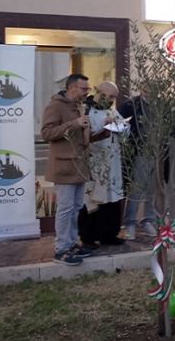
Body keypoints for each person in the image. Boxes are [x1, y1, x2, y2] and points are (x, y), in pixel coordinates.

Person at [41, 73, 93, 266]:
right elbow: (47, 133)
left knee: (76, 207)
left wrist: (102, 130)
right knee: (65, 208)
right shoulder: (56, 105)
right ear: (71, 88)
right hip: (64, 166)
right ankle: (61, 249)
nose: (87, 92)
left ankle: (71, 243)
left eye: (87, 89)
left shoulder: (78, 107)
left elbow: (81, 135)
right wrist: (74, 123)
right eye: (84, 88)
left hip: (79, 165)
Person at [78, 82, 126, 248]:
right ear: (101, 93)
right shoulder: (87, 110)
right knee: (94, 200)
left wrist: (122, 126)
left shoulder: (111, 110)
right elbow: (84, 137)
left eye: (115, 97)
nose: (113, 100)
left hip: (113, 162)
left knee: (112, 201)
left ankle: (109, 234)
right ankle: (88, 236)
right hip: (96, 162)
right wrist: (103, 125)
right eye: (111, 96)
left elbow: (125, 131)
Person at [119, 90, 158, 240]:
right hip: (138, 152)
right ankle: (130, 222)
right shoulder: (130, 105)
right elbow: (120, 125)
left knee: (152, 189)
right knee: (137, 188)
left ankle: (148, 220)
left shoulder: (160, 105)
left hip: (157, 153)